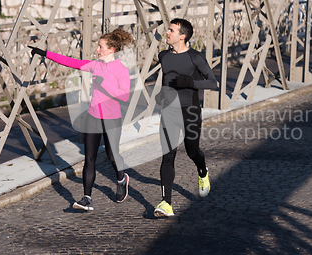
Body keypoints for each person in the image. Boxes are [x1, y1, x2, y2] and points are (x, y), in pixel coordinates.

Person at [29, 29, 133, 211]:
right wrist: (45, 53)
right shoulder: (95, 65)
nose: (97, 50)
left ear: (111, 49)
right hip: (93, 116)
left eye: (100, 47)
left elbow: (124, 96)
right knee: (89, 158)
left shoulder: (121, 70)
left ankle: (121, 179)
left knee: (111, 155)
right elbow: (72, 62)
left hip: (112, 119)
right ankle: (86, 198)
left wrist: (104, 85)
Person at [153, 18, 218, 217]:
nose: (167, 33)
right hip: (169, 112)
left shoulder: (195, 57)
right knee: (168, 156)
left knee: (192, 151)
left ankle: (202, 171)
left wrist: (190, 82)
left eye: (171, 30)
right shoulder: (163, 55)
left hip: (189, 110)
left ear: (182, 36)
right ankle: (166, 203)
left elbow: (213, 83)